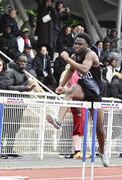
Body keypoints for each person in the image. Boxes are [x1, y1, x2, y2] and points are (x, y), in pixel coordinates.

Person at [46, 33, 108, 167]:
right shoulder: (75, 56)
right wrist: (61, 85)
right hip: (83, 89)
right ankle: (58, 120)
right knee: (70, 90)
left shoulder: (90, 55)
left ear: (87, 45)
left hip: (95, 94)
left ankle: (102, 152)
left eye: (80, 44)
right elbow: (70, 71)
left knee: (99, 129)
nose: (77, 46)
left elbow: (85, 69)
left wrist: (67, 58)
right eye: (75, 43)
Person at [5, 54, 36, 158]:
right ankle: (1, 149)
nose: (23, 64)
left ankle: (9, 149)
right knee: (6, 127)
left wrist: (27, 87)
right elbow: (9, 87)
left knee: (15, 127)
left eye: (25, 62)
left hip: (19, 104)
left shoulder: (23, 73)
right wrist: (24, 88)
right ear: (16, 61)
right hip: (10, 104)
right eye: (21, 61)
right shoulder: (11, 72)